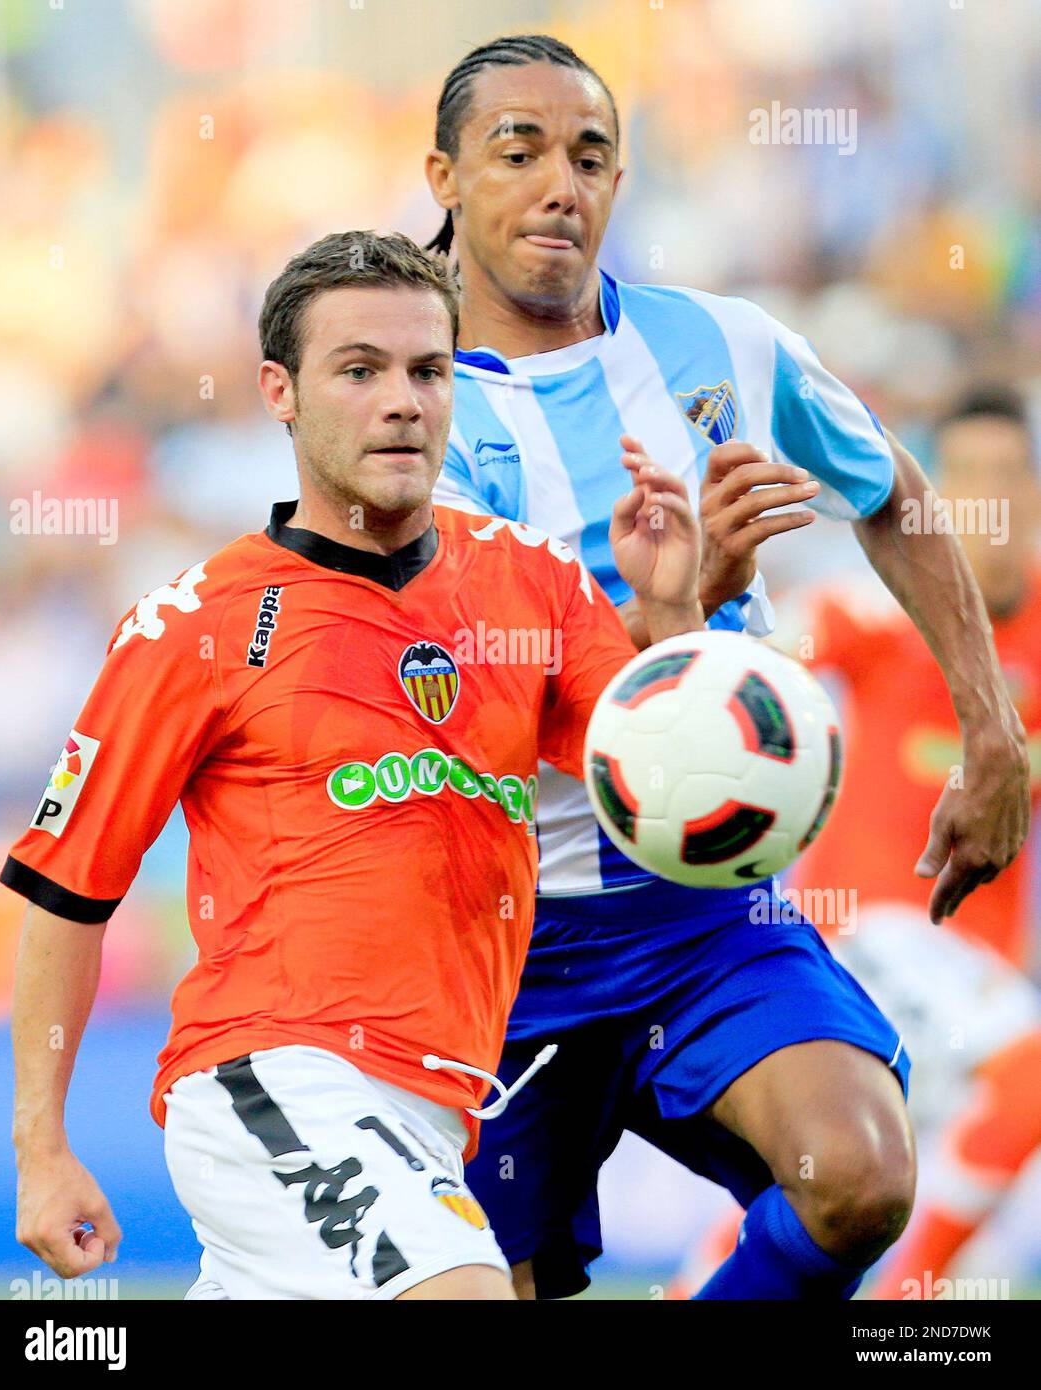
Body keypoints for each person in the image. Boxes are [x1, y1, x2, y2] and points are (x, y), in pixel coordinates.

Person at [422, 34, 1031, 1299]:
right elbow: (448, 701)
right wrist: (677, 623)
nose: (559, 186)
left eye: (590, 156)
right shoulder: (402, 407)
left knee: (859, 1176)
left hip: (707, 910)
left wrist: (990, 731)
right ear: (442, 176)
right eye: (517, 152)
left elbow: (897, 496)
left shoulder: (725, 346)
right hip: (498, 937)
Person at [4, 230, 706, 1301]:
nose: (403, 401)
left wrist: (668, 616)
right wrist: (41, 1147)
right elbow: (66, 890)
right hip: (276, 1069)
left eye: (428, 370)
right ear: (280, 392)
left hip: (441, 1101)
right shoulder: (197, 625)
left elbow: (663, 792)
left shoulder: (530, 582)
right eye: (360, 369)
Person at [794, 385, 1041, 1297]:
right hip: (862, 934)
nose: (994, 500)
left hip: (978, 972)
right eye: (970, 478)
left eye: (1011, 476)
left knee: (828, 1217)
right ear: (933, 501)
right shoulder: (883, 612)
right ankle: (909, 1296)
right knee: (1029, 1077)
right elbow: (754, 660)